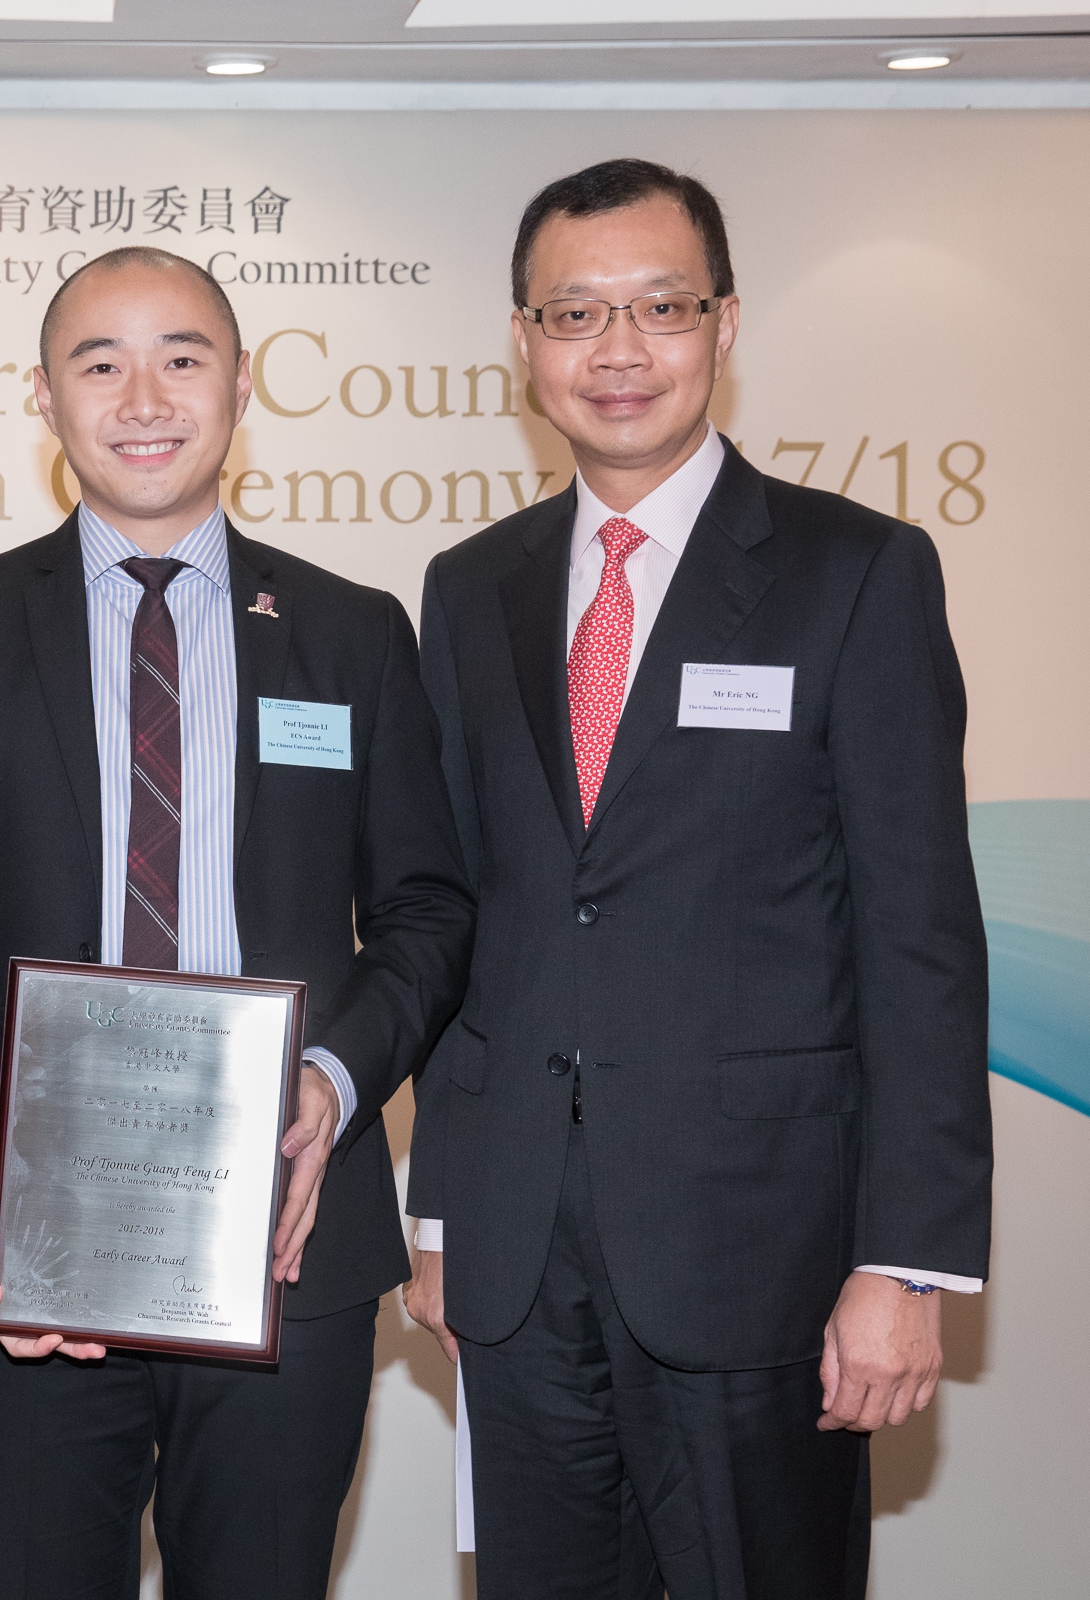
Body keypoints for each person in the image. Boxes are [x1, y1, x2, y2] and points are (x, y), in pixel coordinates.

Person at [401, 158, 994, 1599]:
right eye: (575, 313)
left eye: (660, 308)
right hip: (519, 1247)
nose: (619, 352)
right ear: (525, 342)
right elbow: (466, 910)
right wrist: (436, 1207)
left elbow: (919, 938)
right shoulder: (469, 587)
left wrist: (905, 1262)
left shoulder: (856, 573)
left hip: (764, 1250)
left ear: (725, 325)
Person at [0, 246, 474, 1599]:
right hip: (26, 1256)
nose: (144, 395)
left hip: (282, 1234)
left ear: (242, 388)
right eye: (100, 361)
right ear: (43, 397)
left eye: (183, 357)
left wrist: (330, 1079)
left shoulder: (351, 633)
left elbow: (428, 913)